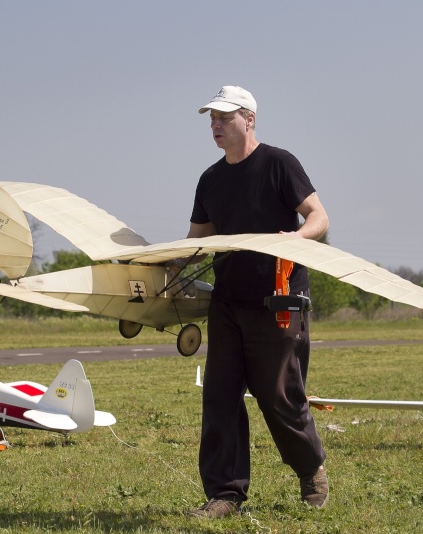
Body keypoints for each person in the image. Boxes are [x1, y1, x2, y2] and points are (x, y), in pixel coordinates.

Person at [184, 86, 330, 519]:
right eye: (211, 118)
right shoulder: (210, 179)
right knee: (221, 397)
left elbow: (319, 217)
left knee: (280, 395)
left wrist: (298, 237)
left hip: (278, 300)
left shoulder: (279, 164)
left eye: (224, 117)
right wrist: (163, 264)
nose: (215, 125)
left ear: (249, 119)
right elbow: (196, 240)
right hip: (228, 302)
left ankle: (310, 469)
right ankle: (225, 495)